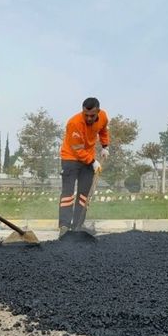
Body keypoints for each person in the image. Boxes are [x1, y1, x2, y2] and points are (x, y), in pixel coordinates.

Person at [58, 97, 110, 236]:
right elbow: (77, 150)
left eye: (92, 115)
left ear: (98, 112)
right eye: (85, 115)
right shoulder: (74, 123)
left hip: (88, 158)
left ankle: (77, 227)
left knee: (84, 195)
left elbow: (103, 130)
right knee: (68, 193)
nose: (88, 118)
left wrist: (105, 146)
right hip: (70, 157)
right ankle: (64, 226)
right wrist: (92, 162)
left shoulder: (103, 116)